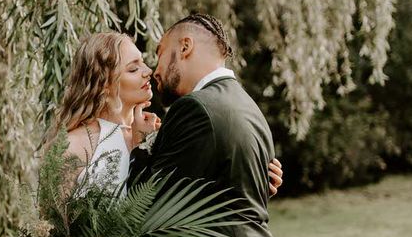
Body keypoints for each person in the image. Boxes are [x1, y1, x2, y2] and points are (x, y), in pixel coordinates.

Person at [128, 13, 291, 237]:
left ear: (186, 46)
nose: (155, 70)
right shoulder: (247, 105)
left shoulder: (195, 108)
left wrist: (135, 146)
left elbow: (150, 203)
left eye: (160, 54)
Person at [52, 29, 283, 203]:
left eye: (143, 63)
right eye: (133, 69)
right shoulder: (73, 145)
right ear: (102, 84)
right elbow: (51, 230)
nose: (148, 71)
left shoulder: (161, 135)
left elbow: (189, 197)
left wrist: (251, 180)